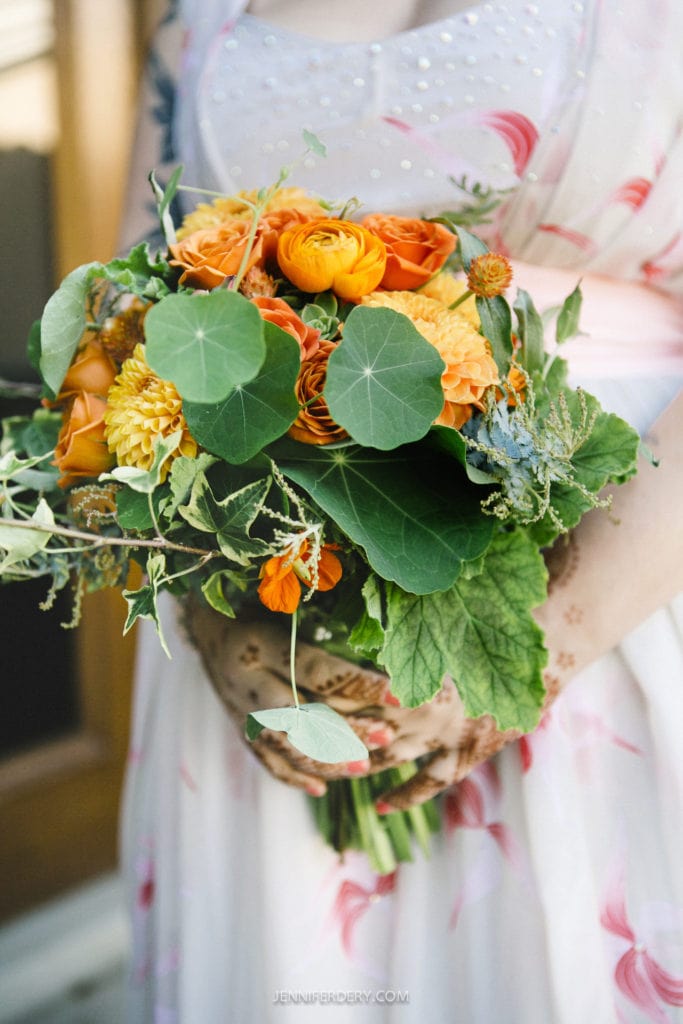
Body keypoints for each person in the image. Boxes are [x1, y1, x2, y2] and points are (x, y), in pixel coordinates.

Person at [119, 1, 683, 1021]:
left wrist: (541, 641)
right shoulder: (191, 18)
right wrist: (218, 627)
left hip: (618, 572)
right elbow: (131, 325)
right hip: (266, 605)